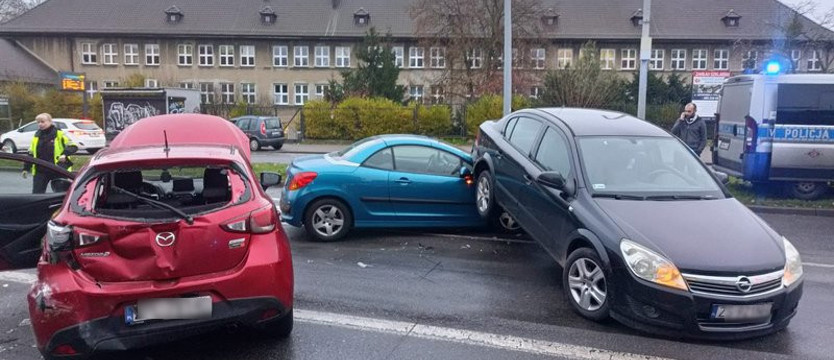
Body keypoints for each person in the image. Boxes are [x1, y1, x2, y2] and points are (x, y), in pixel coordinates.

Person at [21, 113, 78, 193]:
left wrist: (64, 154)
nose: (40, 124)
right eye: (38, 122)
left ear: (50, 122)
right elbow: (31, 153)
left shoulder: (60, 134)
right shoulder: (37, 135)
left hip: (58, 169)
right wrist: (26, 168)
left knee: (61, 194)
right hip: (40, 170)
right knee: (37, 194)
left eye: (42, 122)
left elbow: (73, 146)